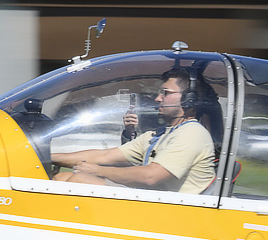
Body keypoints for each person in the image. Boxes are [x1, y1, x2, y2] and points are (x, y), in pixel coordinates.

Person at [51, 69, 217, 193]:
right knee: (61, 178)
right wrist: (50, 157)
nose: (158, 98)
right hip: (155, 202)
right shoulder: (159, 135)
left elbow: (150, 176)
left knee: (80, 180)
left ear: (189, 100)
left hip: (175, 213)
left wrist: (97, 170)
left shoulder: (192, 133)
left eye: (165, 93)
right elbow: (104, 156)